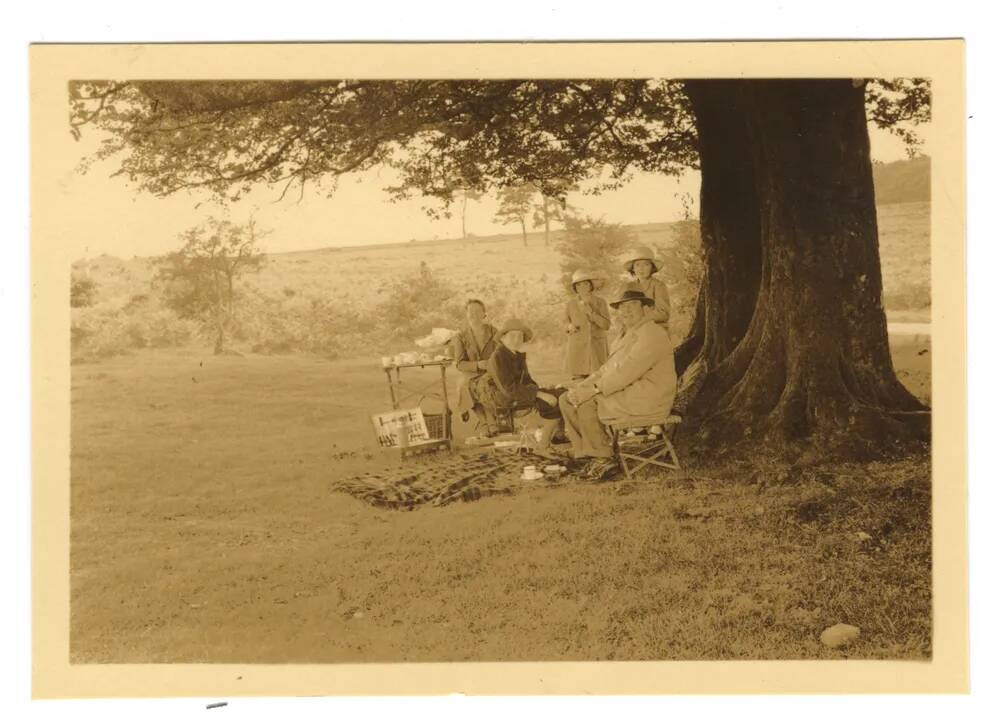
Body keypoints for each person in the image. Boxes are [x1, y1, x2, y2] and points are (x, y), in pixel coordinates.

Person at [558, 287, 677, 480]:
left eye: (632, 305)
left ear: (645, 308)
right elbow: (607, 369)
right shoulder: (628, 334)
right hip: (630, 391)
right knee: (566, 399)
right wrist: (582, 386)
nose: (626, 311)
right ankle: (585, 454)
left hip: (648, 397)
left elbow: (627, 371)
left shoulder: (652, 333)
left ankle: (604, 458)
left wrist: (593, 390)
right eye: (622, 307)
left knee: (589, 403)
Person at [470, 319, 564, 440]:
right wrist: (539, 394)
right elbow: (509, 389)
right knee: (549, 399)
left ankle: (559, 434)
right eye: (512, 336)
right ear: (503, 338)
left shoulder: (517, 355)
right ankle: (545, 440)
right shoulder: (498, 357)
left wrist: (543, 388)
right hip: (502, 397)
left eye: (520, 336)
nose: (516, 340)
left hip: (516, 392)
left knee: (561, 392)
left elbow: (527, 381)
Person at [451, 299, 500, 432]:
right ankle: (484, 422)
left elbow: (501, 354)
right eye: (470, 311)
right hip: (473, 372)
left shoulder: (493, 332)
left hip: (492, 370)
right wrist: (478, 365)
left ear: (484, 314)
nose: (474, 314)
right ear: (466, 314)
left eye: (478, 311)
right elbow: (460, 364)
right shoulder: (461, 337)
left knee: (484, 384)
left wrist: (490, 365)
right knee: (464, 385)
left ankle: (491, 421)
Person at [563, 268, 611, 379]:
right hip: (577, 348)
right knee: (578, 383)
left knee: (597, 381)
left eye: (585, 283)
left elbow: (606, 325)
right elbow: (565, 322)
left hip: (596, 348)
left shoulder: (600, 302)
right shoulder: (571, 304)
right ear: (575, 288)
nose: (582, 287)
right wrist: (569, 326)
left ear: (591, 285)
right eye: (579, 285)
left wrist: (591, 313)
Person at [623, 245, 671, 333]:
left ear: (652, 267)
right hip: (635, 329)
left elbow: (664, 313)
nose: (641, 269)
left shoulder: (658, 286)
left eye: (646, 264)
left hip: (655, 328)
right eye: (637, 265)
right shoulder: (631, 286)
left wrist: (643, 320)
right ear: (633, 269)